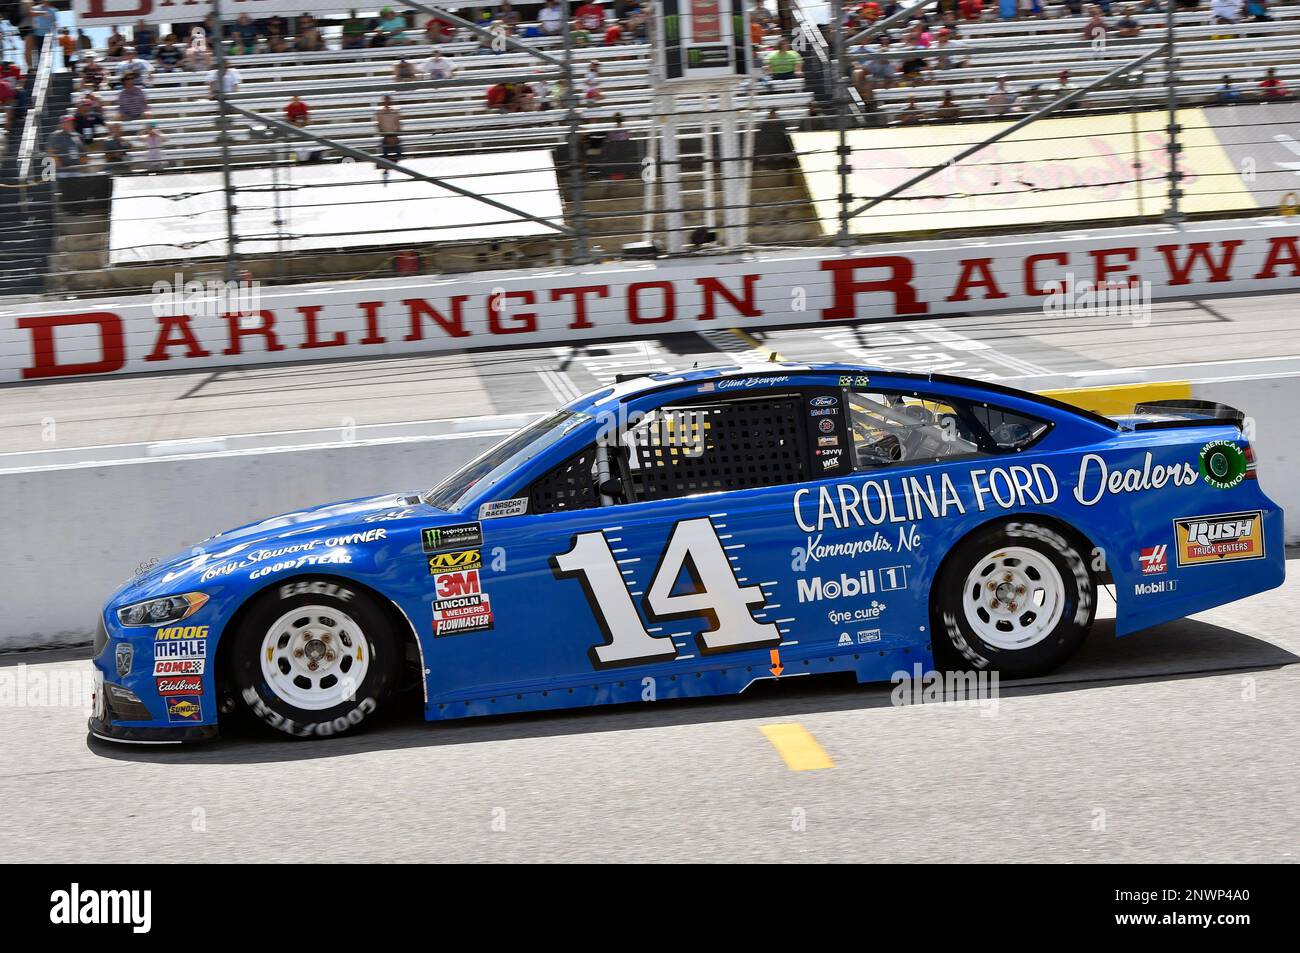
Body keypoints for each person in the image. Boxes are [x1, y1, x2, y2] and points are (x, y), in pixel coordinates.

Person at [376, 94, 402, 163]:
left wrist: (394, 136)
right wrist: (387, 137)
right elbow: (379, 127)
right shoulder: (379, 113)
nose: (387, 101)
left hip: (395, 137)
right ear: (383, 101)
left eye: (388, 99)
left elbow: (398, 125)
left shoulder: (395, 111)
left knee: (399, 148)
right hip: (386, 137)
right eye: (386, 99)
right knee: (384, 147)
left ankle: (398, 165)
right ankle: (386, 165)